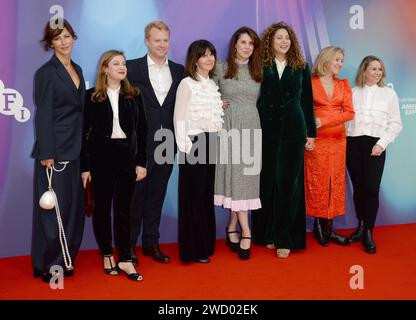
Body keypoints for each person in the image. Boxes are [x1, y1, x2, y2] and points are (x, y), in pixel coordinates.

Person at [81, 50, 147, 281]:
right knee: (102, 209)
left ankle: (126, 258)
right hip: (101, 159)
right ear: (105, 69)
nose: (122, 67)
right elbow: (84, 134)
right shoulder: (92, 97)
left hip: (126, 159)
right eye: (116, 63)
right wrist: (85, 167)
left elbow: (143, 131)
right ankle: (107, 253)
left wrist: (141, 162)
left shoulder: (134, 95)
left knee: (124, 211)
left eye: (123, 63)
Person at [252, 21, 316, 259]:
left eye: (287, 38)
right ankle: (267, 233)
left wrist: (311, 134)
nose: (283, 41)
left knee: (290, 184)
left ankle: (286, 238)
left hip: (293, 130)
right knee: (267, 182)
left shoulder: (301, 66)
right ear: (270, 40)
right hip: (266, 129)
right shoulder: (260, 64)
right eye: (279, 37)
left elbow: (307, 102)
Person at [31, 19, 86, 283]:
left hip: (76, 149)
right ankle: (49, 264)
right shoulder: (46, 72)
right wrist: (46, 152)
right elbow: (43, 116)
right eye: (58, 38)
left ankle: (66, 258)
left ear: (73, 38)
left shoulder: (78, 69)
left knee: (73, 209)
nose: (64, 42)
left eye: (67, 36)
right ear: (50, 43)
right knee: (53, 211)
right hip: (55, 151)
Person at [127, 21, 184, 264]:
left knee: (156, 196)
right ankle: (128, 247)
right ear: (147, 41)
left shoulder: (180, 70)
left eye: (165, 40)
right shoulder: (131, 68)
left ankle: (151, 243)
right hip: (139, 145)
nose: (162, 45)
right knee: (134, 198)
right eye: (157, 40)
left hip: (167, 142)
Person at [213, 27, 263, 260]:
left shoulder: (258, 71)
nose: (247, 47)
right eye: (243, 42)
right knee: (234, 177)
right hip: (229, 129)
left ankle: (232, 225)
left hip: (252, 127)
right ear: (235, 44)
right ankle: (246, 231)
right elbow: (204, 92)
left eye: (251, 44)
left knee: (245, 179)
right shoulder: (220, 68)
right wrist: (217, 101)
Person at [346, 55, 402, 254]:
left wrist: (382, 144)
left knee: (371, 187)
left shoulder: (389, 94)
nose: (378, 73)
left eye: (380, 69)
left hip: (375, 145)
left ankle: (369, 231)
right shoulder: (352, 93)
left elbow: (396, 123)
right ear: (364, 71)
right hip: (352, 143)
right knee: (359, 187)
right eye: (373, 69)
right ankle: (361, 226)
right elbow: (345, 120)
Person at [174, 39, 224, 263]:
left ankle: (205, 245)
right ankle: (192, 250)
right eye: (204, 55)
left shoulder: (213, 84)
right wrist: (186, 148)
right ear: (195, 59)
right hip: (193, 143)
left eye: (211, 54)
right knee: (192, 197)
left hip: (211, 142)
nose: (209, 58)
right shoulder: (186, 83)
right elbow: (179, 117)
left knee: (205, 196)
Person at [304, 46, 355, 247]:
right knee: (317, 181)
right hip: (315, 140)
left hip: (337, 140)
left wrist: (324, 120)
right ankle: (318, 223)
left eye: (342, 60)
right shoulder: (310, 83)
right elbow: (304, 111)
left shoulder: (343, 84)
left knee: (335, 182)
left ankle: (329, 228)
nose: (340, 64)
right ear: (326, 60)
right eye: (337, 60)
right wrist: (309, 133)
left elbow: (350, 113)